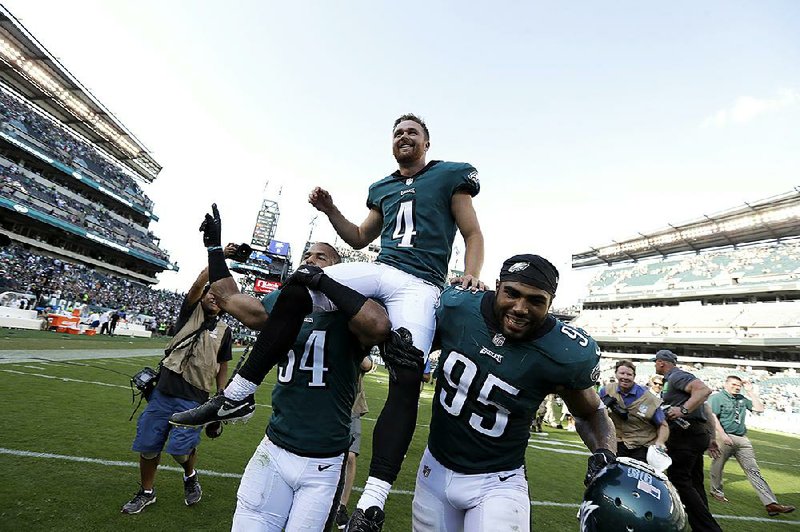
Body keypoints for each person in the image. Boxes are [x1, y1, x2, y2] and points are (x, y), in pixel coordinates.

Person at [174, 113, 485, 531]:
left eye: (412, 132)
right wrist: (330, 209)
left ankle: (373, 499)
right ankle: (240, 392)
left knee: (408, 369)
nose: (404, 137)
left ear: (427, 143)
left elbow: (473, 232)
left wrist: (471, 270)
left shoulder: (450, 175)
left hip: (421, 284)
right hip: (382, 268)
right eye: (397, 133)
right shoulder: (383, 187)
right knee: (302, 281)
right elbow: (358, 239)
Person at [411, 254, 616, 531]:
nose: (521, 308)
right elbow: (415, 348)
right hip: (434, 467)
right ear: (498, 286)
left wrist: (604, 454)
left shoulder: (564, 352)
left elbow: (591, 412)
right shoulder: (458, 307)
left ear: (550, 304)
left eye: (535, 300)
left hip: (498, 480)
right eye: (512, 293)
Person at [223, 243, 390, 531]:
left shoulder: (352, 312)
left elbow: (378, 325)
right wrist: (216, 250)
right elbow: (228, 297)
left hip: (323, 460)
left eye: (320, 257)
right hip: (275, 446)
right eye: (307, 256)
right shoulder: (286, 301)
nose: (310, 261)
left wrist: (326, 283)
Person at [120, 262, 232, 515]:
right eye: (210, 292)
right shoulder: (189, 313)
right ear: (203, 295)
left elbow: (222, 365)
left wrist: (221, 394)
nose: (213, 297)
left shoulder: (226, 330)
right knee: (148, 446)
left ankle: (190, 475)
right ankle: (146, 492)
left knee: (181, 450)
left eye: (219, 295)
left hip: (195, 398)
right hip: (164, 393)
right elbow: (195, 286)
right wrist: (217, 259)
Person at [653, 349, 722, 532]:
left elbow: (704, 390)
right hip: (696, 434)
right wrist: (711, 437)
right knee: (695, 483)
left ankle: (709, 529)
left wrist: (682, 410)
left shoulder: (676, 376)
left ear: (661, 363)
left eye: (656, 362)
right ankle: (703, 526)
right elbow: (706, 410)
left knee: (679, 480)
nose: (655, 365)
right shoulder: (672, 380)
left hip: (685, 436)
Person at [708, 375, 796, 516]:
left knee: (754, 470)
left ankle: (771, 504)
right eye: (733, 384)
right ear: (726, 384)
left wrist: (750, 391)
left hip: (742, 439)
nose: (736, 387)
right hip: (723, 435)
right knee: (718, 466)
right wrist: (722, 435)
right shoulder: (717, 398)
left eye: (739, 385)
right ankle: (716, 492)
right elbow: (712, 417)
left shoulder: (742, 399)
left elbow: (759, 409)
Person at [599, 359, 669, 463]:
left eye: (629, 374)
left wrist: (660, 442)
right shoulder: (606, 391)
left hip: (642, 445)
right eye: (622, 373)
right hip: (616, 442)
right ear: (616, 374)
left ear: (634, 376)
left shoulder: (649, 398)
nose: (625, 377)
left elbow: (663, 425)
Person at [335, 354, 375, 529]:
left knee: (350, 457)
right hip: (328, 403)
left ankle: (341, 507)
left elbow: (366, 364)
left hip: (351, 406)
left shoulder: (357, 338)